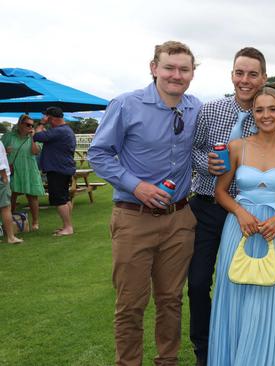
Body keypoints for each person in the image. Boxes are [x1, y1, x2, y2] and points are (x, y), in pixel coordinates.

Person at [87, 40, 201, 366]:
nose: (175, 75)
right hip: (133, 218)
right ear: (154, 68)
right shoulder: (126, 105)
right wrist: (136, 186)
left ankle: (167, 360)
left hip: (179, 219)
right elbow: (98, 153)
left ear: (192, 74)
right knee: (131, 304)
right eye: (169, 67)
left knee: (171, 301)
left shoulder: (195, 108)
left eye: (184, 69)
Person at [189, 47, 270, 366]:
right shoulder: (209, 111)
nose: (245, 80)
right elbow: (191, 150)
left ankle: (242, 346)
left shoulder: (270, 117)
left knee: (244, 281)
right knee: (197, 282)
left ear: (263, 77)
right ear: (231, 74)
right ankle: (204, 350)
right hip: (208, 206)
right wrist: (204, 162)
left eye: (252, 74)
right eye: (240, 73)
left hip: (249, 212)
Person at [207, 87, 275, 365]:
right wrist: (240, 213)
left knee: (271, 292)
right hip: (240, 227)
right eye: (259, 110)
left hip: (274, 228)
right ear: (252, 114)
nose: (266, 115)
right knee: (236, 291)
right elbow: (220, 192)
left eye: (272, 109)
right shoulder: (237, 147)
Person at [33, 106, 76, 237]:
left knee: (59, 199)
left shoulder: (60, 131)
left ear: (51, 118)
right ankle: (67, 225)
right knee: (65, 198)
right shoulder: (65, 130)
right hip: (63, 168)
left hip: (58, 169)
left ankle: (68, 228)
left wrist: (41, 124)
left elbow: (37, 136)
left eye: (47, 118)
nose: (46, 120)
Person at [1, 114, 44, 231]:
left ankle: (35, 221)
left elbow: (35, 152)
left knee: (32, 195)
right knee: (11, 195)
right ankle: (9, 222)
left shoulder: (36, 137)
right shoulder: (8, 136)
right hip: (13, 169)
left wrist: (33, 138)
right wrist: (5, 152)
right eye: (28, 124)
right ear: (20, 124)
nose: (30, 127)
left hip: (29, 168)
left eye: (32, 125)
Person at [0, 141, 22, 244]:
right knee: (5, 208)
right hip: (1, 178)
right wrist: (4, 177)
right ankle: (11, 237)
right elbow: (0, 163)